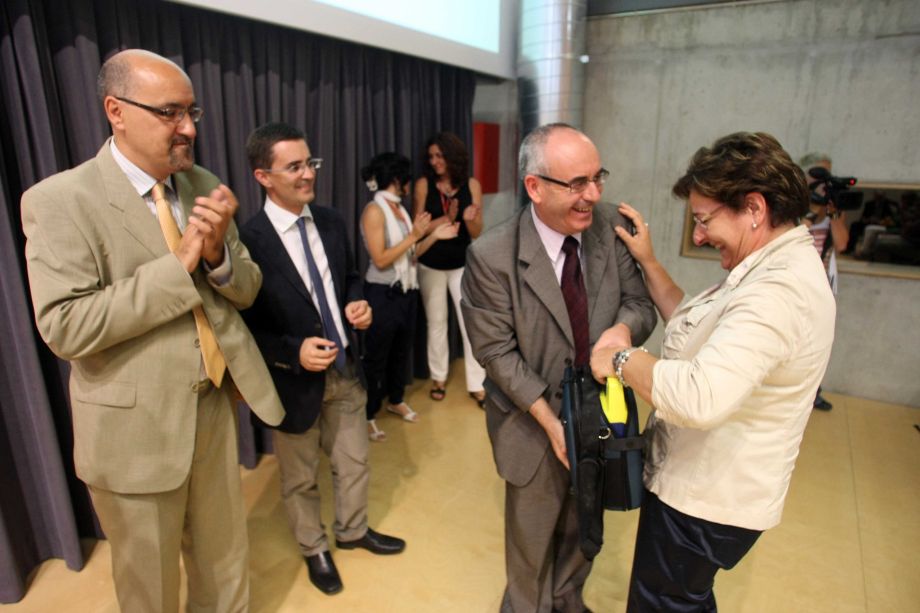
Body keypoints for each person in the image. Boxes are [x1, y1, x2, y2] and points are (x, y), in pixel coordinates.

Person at [20, 49, 285, 612]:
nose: (188, 128)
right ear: (115, 111)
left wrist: (216, 257)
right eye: (169, 112)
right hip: (133, 434)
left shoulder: (201, 182)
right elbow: (65, 326)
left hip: (212, 410)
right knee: (151, 590)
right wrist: (180, 265)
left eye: (192, 112)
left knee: (225, 565)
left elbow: (247, 288)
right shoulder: (59, 201)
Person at [590, 132, 836, 612]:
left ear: (754, 208)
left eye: (704, 220)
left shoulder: (777, 292)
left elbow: (700, 396)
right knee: (683, 600)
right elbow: (696, 326)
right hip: (710, 491)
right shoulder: (772, 264)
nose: (700, 236)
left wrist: (621, 358)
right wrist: (648, 262)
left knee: (665, 604)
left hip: (704, 501)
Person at [460, 123, 656, 612]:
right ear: (534, 186)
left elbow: (639, 304)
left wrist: (620, 332)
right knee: (531, 539)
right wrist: (552, 423)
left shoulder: (610, 229)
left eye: (598, 178)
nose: (593, 195)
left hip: (603, 411)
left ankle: (568, 599)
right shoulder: (491, 256)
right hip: (532, 419)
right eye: (577, 183)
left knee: (584, 526)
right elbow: (495, 352)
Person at [239, 123, 406, 596]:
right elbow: (243, 329)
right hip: (293, 382)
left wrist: (357, 303)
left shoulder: (331, 221)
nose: (308, 173)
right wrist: (292, 351)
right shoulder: (248, 241)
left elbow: (349, 278)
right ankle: (314, 548)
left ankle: (352, 531)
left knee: (354, 463)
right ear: (263, 177)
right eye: (294, 166)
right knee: (299, 478)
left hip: (346, 369)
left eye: (310, 162)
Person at [360, 152, 458, 441]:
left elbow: (411, 253)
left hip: (406, 291)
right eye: (406, 179)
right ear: (397, 179)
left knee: (400, 352)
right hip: (382, 293)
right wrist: (415, 235)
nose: (409, 185)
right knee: (377, 357)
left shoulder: (400, 211)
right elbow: (381, 259)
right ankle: (368, 414)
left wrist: (433, 236)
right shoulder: (374, 211)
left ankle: (395, 400)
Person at [413, 132, 487, 406]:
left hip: (461, 264)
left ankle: (477, 384)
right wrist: (447, 217)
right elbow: (417, 230)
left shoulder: (472, 185)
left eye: (439, 156)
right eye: (431, 156)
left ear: (452, 156)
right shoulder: (424, 185)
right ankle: (439, 378)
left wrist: (468, 219)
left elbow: (476, 232)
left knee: (470, 325)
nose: (434, 161)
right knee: (436, 323)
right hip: (430, 263)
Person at [800, 152, 847, 411]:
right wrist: (811, 211)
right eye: (820, 175)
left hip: (822, 287)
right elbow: (790, 237)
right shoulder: (793, 204)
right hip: (796, 284)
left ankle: (813, 391)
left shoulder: (832, 210)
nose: (824, 182)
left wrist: (833, 213)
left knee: (817, 342)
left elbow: (842, 243)